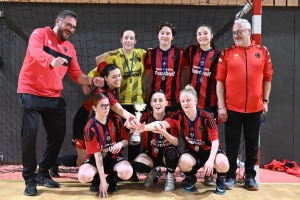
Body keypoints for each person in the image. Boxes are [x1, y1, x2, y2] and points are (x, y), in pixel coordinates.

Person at [17, 10, 104, 196]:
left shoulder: (69, 48)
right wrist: (51, 60)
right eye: (68, 25)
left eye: (73, 27)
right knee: (30, 135)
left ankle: (43, 172)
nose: (70, 29)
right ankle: (30, 179)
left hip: (53, 96)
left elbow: (76, 74)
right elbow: (35, 51)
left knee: (58, 135)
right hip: (30, 91)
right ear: (58, 21)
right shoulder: (39, 33)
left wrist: (91, 80)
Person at [129, 85, 229, 194]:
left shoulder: (207, 116)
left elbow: (215, 141)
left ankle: (220, 180)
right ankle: (191, 178)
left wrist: (210, 160)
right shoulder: (179, 116)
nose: (185, 103)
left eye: (188, 100)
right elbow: (160, 124)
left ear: (195, 101)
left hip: (210, 151)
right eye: (183, 101)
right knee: (183, 162)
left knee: (223, 163)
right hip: (193, 152)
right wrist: (144, 128)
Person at [50, 64, 134, 192]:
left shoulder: (112, 88)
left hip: (102, 123)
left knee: (103, 154)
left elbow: (100, 62)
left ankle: (108, 178)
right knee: (82, 161)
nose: (118, 79)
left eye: (119, 76)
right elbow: (119, 109)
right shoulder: (103, 92)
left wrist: (89, 81)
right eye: (114, 77)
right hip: (84, 123)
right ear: (106, 78)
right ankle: (56, 162)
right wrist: (130, 117)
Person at [216, 18, 273, 191]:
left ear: (249, 31)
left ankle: (250, 177)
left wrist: (265, 100)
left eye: (239, 32)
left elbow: (268, 78)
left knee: (252, 144)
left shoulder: (262, 51)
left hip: (255, 109)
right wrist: (221, 106)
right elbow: (219, 81)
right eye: (234, 32)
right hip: (232, 109)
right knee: (232, 145)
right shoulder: (226, 53)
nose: (236, 35)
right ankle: (230, 176)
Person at [87, 30, 146, 181]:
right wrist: (88, 80)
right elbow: (98, 66)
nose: (128, 40)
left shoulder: (142, 54)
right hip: (116, 105)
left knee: (134, 137)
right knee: (110, 137)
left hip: (136, 102)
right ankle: (108, 172)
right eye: (125, 37)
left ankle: (129, 171)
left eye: (131, 38)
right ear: (121, 40)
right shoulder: (114, 57)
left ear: (135, 41)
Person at [185, 25, 222, 186]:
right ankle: (190, 175)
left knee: (208, 141)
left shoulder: (218, 55)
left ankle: (210, 173)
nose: (202, 36)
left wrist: (221, 105)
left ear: (211, 35)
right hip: (192, 105)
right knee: (190, 138)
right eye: (199, 34)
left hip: (209, 105)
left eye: (205, 33)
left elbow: (220, 81)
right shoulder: (192, 51)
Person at [78, 93, 133, 198]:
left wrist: (121, 143)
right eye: (103, 106)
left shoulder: (116, 119)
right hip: (96, 159)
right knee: (83, 177)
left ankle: (111, 178)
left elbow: (126, 140)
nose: (106, 108)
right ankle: (97, 179)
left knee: (127, 172)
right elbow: (98, 156)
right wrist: (102, 183)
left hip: (113, 157)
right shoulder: (90, 127)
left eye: (108, 105)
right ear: (94, 107)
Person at [130, 91, 179, 191]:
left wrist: (164, 133)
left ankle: (170, 177)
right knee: (137, 165)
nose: (157, 103)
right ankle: (152, 171)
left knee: (172, 154)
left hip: (167, 155)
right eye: (154, 101)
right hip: (151, 154)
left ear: (166, 103)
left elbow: (176, 142)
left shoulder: (172, 117)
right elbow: (132, 123)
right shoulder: (144, 117)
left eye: (161, 100)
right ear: (151, 103)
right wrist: (130, 125)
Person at [144, 21, 189, 112]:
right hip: (154, 99)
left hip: (174, 100)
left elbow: (187, 68)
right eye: (162, 33)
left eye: (168, 33)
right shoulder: (151, 53)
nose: (164, 36)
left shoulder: (180, 53)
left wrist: (185, 89)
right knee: (154, 126)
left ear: (172, 37)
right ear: (158, 35)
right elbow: (144, 74)